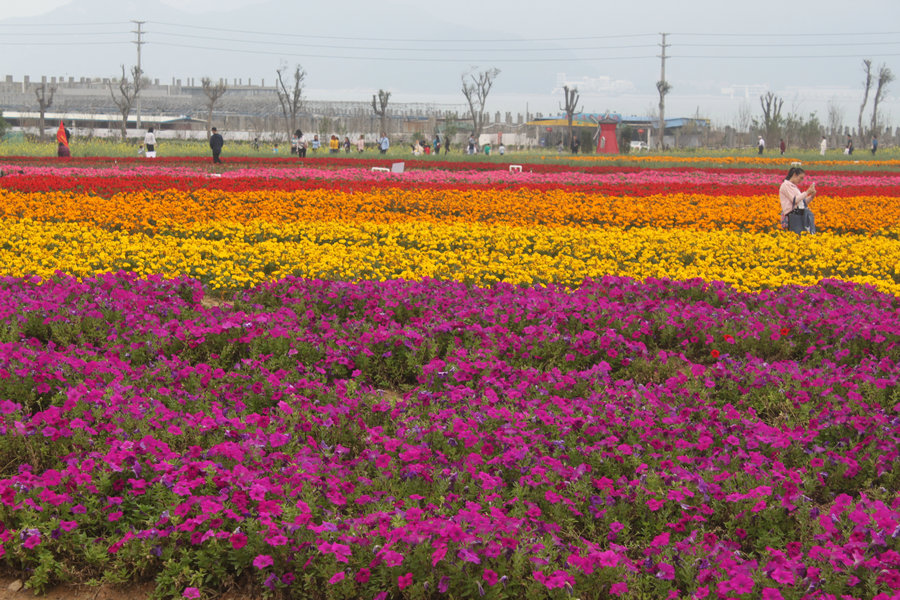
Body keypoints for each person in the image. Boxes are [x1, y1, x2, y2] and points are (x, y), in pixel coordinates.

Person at [779, 166, 816, 234]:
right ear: (795, 175)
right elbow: (794, 200)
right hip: (793, 215)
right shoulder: (786, 185)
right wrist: (807, 192)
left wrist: (812, 196)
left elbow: (802, 203)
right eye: (800, 178)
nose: (801, 180)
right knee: (797, 235)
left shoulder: (794, 187)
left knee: (803, 234)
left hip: (800, 213)